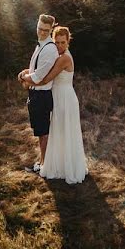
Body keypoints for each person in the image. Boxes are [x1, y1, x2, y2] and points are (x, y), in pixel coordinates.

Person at [23, 26, 88, 184]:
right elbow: (41, 71)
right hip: (57, 97)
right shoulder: (56, 55)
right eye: (57, 42)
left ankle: (66, 168)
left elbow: (44, 78)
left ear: (68, 41)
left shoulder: (64, 58)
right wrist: (27, 73)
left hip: (65, 99)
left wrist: (25, 79)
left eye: (63, 42)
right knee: (57, 132)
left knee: (64, 131)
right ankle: (56, 164)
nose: (60, 45)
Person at [17, 14, 58, 173]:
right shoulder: (40, 45)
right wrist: (26, 72)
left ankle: (45, 167)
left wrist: (23, 77)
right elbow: (36, 70)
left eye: (46, 30)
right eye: (39, 29)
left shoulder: (49, 49)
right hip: (36, 96)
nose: (41, 32)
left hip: (41, 96)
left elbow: (38, 77)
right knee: (41, 132)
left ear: (51, 30)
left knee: (44, 133)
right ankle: (43, 162)